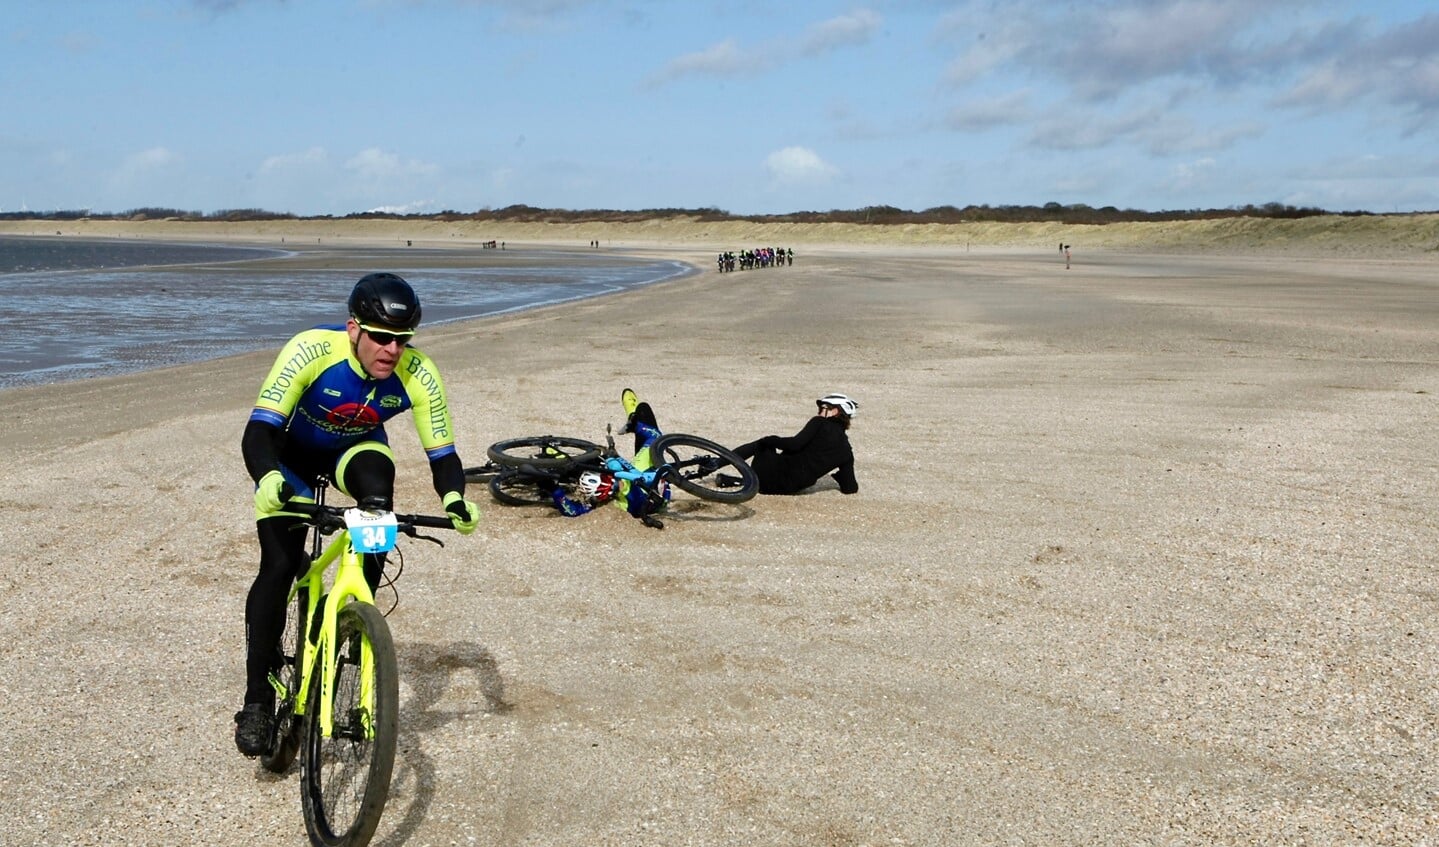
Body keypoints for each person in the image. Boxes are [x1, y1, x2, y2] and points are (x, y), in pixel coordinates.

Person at [234, 272, 481, 757]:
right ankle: (257, 700)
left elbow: (443, 455)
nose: (392, 350)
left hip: (356, 452)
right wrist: (267, 479)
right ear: (354, 330)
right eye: (382, 338)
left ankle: (351, 610)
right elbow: (258, 431)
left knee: (378, 496)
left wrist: (453, 498)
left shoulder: (419, 373)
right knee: (280, 566)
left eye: (402, 340)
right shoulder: (311, 349)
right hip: (289, 459)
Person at [548, 388, 668, 520]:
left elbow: (573, 511)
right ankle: (634, 419)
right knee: (650, 427)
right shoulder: (626, 496)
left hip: (646, 490)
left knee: (588, 465)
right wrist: (611, 457)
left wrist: (554, 490)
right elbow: (620, 466)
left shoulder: (608, 504)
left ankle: (556, 460)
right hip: (649, 479)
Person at [734, 393, 859, 495]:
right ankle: (732, 481)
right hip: (790, 489)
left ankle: (717, 462)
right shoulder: (846, 451)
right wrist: (840, 477)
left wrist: (771, 439)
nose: (819, 412)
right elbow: (850, 488)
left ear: (835, 411)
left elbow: (794, 444)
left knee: (762, 444)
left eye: (823, 408)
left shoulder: (820, 422)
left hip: (771, 477)